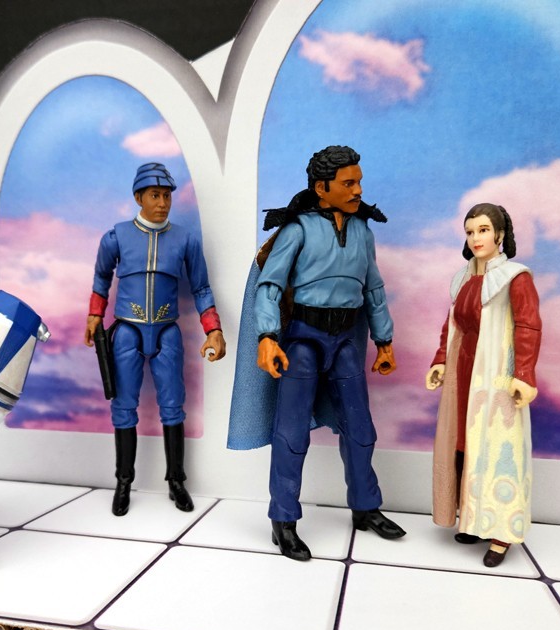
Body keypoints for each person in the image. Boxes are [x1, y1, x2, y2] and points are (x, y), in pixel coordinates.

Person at [242, 145, 406, 561]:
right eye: (348, 183)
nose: (358, 190)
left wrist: (384, 340)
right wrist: (267, 336)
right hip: (303, 339)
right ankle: (283, 518)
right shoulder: (297, 230)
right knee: (291, 431)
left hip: (346, 340)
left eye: (359, 182)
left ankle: (365, 506)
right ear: (321, 187)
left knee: (361, 429)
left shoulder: (363, 231)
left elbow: (373, 289)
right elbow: (270, 285)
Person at [84, 163, 225, 516]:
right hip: (127, 331)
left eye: (166, 196)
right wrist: (95, 314)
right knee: (123, 406)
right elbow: (101, 277)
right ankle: (123, 481)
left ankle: (176, 480)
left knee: (174, 405)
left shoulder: (186, 240)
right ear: (139, 198)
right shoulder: (116, 237)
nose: (162, 203)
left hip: (167, 331)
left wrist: (213, 329)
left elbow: (201, 288)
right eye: (154, 195)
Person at [425, 203, 542, 567]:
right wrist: (441, 359)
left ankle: (501, 532)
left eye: (484, 230)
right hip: (464, 373)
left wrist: (524, 374)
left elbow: (529, 325)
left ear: (500, 234)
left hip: (495, 374)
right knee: (463, 446)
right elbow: (451, 324)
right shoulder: (462, 278)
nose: (476, 238)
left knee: (497, 449)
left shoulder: (515, 277)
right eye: (470, 231)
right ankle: (473, 519)